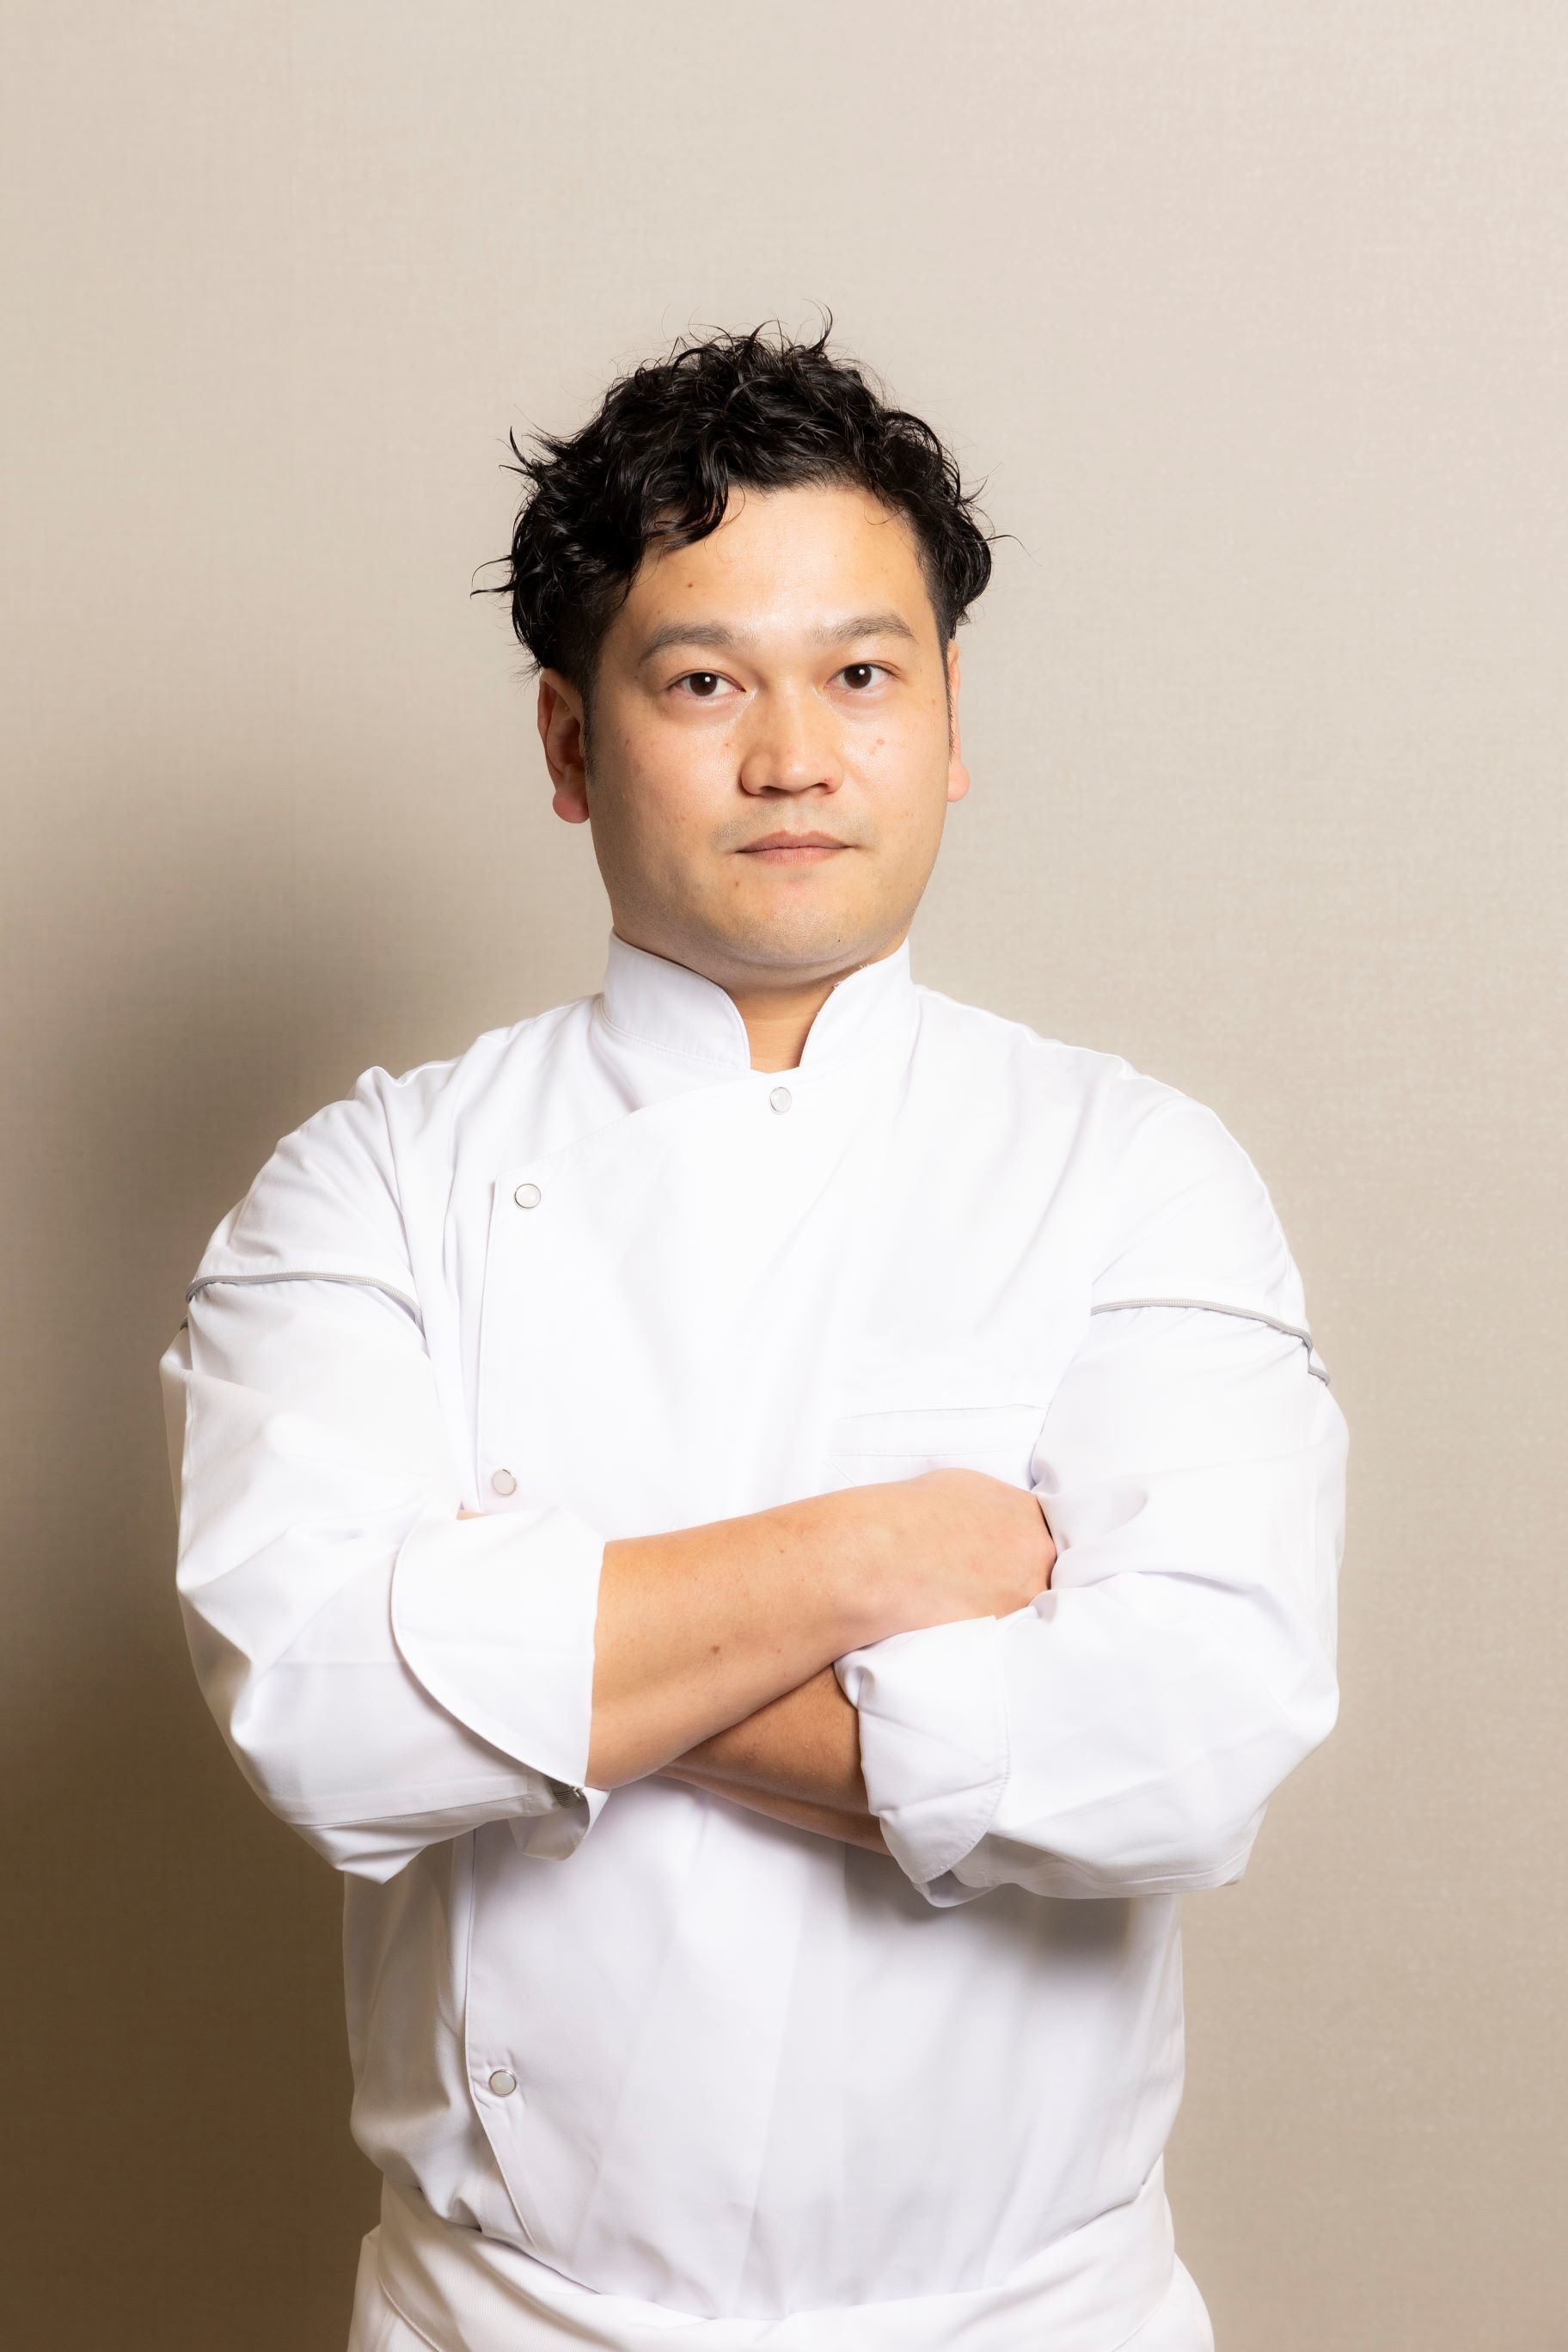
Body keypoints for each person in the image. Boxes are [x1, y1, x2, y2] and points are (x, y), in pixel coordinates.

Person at [160, 321, 1346, 2352]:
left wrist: (541, 1649)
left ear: (950, 722)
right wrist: (874, 1557)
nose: (794, 757)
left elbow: (1190, 1745)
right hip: (507, 2322)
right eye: (704, 682)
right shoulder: (371, 1184)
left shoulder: (1135, 1170)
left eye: (862, 677)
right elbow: (321, 1708)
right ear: (568, 745)